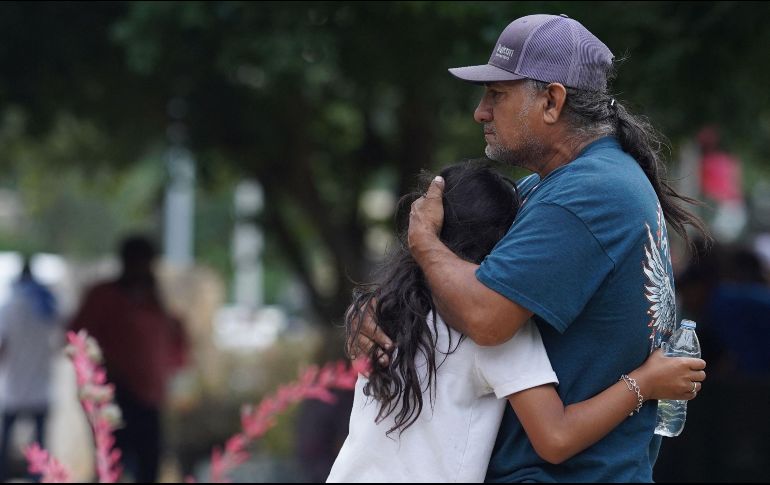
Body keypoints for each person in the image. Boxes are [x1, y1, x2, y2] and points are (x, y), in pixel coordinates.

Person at [350, 14, 710, 482]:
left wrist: (423, 241)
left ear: (551, 100)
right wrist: (374, 307)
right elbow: (456, 276)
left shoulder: (590, 193)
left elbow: (486, 318)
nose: (481, 111)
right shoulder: (550, 188)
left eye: (497, 95)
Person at [330, 162, 705, 482]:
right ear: (507, 248)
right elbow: (555, 438)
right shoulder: (492, 327)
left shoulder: (389, 308)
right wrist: (645, 381)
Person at [69, 236, 188, 483]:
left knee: (148, 464)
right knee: (112, 463)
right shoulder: (104, 296)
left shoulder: (153, 301)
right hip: (115, 392)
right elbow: (79, 337)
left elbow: (174, 345)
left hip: (149, 396)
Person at [0, 257, 61, 482]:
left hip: (14, 385)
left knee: (6, 442)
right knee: (40, 443)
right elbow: (59, 344)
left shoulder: (8, 307)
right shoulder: (48, 307)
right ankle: (37, 478)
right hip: (39, 385)